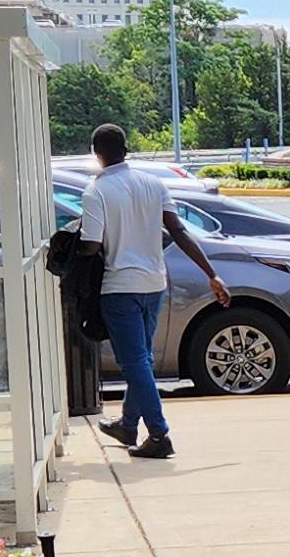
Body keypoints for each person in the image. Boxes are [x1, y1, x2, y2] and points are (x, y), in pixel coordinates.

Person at [80, 124, 226, 462]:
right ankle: (128, 425)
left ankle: (159, 434)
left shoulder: (96, 191)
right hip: (154, 284)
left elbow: (90, 245)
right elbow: (178, 231)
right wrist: (212, 274)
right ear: (126, 148)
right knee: (142, 359)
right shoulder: (152, 183)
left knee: (135, 363)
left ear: (96, 153)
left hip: (119, 288)